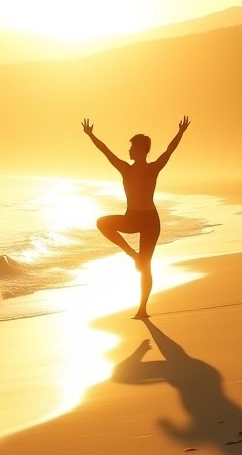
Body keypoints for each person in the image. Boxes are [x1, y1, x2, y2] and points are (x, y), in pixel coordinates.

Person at [81, 116, 190, 319]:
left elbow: (169, 150)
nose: (128, 151)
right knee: (102, 223)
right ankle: (132, 254)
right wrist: (91, 135)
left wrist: (180, 133)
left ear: (140, 150)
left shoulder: (152, 168)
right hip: (132, 218)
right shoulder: (126, 168)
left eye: (132, 147)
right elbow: (105, 151)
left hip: (150, 221)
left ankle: (142, 309)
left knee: (146, 266)